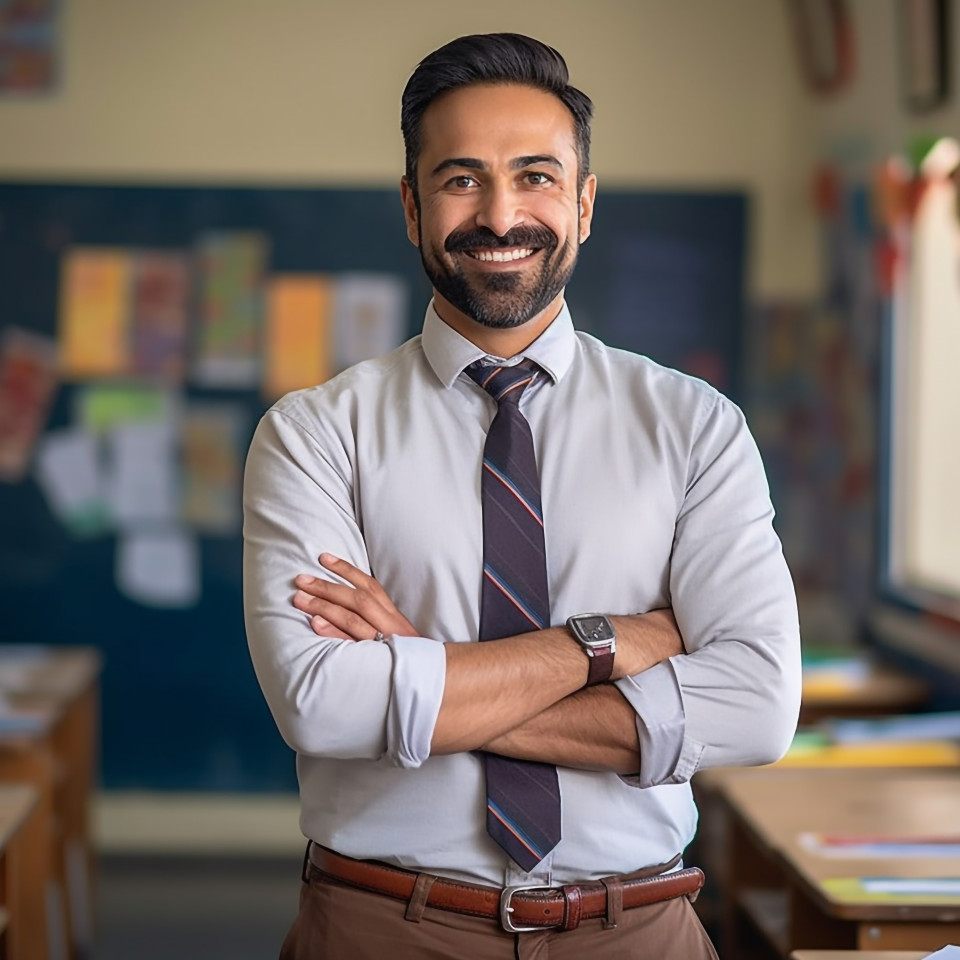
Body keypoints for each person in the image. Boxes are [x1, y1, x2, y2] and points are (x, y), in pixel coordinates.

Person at [243, 32, 801, 959]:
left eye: (536, 176)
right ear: (412, 207)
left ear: (583, 204)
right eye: (461, 179)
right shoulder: (315, 433)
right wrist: (614, 644)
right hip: (388, 927)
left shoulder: (696, 426)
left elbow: (755, 707)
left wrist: (423, 675)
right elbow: (324, 706)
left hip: (638, 929)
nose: (501, 214)